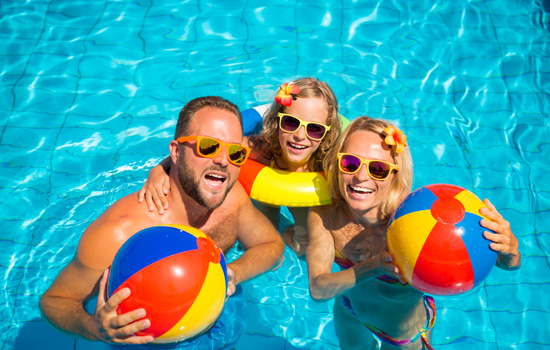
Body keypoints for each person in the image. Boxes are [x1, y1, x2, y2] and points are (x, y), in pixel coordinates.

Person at [39, 96, 285, 348]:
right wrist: (93, 328)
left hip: (222, 320)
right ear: (176, 152)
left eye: (235, 152)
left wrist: (232, 275)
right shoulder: (120, 233)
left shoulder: (231, 199)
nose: (223, 160)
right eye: (208, 146)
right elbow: (55, 300)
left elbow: (272, 246)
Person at [306, 116, 521, 349]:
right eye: (350, 163)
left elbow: (502, 264)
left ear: (395, 175)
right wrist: (374, 266)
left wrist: (510, 251)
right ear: (337, 165)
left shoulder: (417, 221)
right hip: (349, 312)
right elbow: (318, 289)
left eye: (378, 169)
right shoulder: (325, 217)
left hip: (402, 336)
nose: (360, 176)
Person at [139, 77, 342, 255]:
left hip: (311, 201)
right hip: (267, 188)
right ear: (277, 121)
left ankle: (292, 229)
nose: (299, 135)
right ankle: (282, 227)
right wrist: (159, 169)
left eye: (314, 129)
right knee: (260, 243)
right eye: (290, 123)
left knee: (305, 246)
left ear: (327, 133)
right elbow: (206, 149)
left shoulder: (328, 159)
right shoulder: (265, 149)